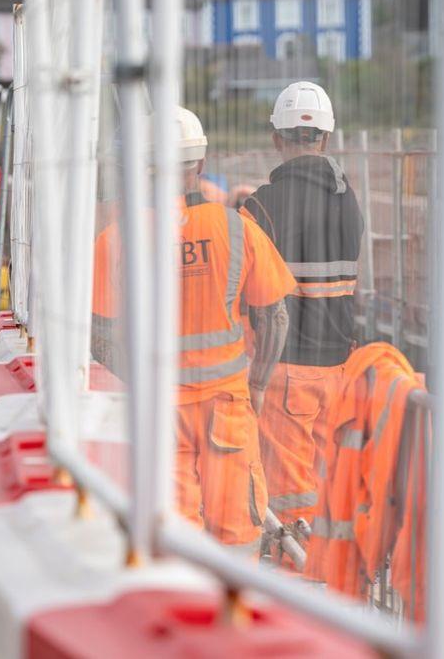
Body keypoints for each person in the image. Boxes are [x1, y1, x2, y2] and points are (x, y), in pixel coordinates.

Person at [91, 107, 294, 550]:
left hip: (158, 407)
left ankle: (181, 610)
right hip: (227, 401)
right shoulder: (238, 228)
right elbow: (275, 315)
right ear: (200, 165)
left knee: (173, 531)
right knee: (238, 527)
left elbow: (100, 334)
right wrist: (257, 384)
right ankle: (234, 613)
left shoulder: (117, 238)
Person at [238, 81, 364, 525]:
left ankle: (298, 584)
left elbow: (241, 292)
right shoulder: (350, 201)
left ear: (277, 139)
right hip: (339, 368)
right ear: (326, 137)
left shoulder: (261, 206)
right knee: (329, 489)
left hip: (283, 369)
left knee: (290, 504)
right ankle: (335, 583)